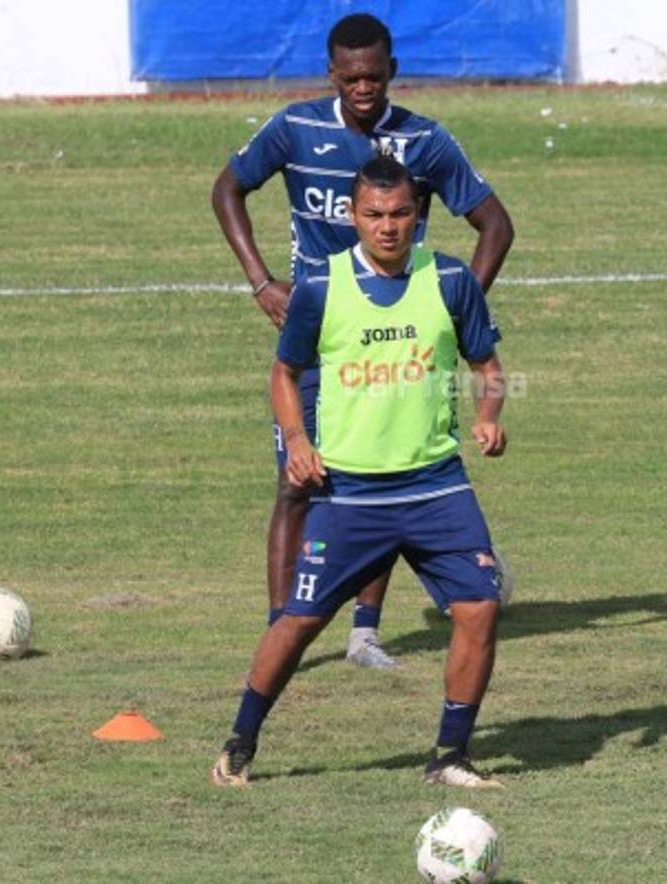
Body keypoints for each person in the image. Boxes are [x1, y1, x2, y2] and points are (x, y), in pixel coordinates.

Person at [212, 12, 513, 668]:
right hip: (317, 341)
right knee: (296, 484)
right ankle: (280, 632)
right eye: (351, 78)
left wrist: (455, 312)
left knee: (387, 475)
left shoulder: (424, 142)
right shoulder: (295, 128)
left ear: (392, 73)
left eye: (375, 77)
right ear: (332, 75)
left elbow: (496, 226)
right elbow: (228, 188)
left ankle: (363, 634)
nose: (364, 89)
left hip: (394, 344)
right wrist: (261, 281)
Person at [210, 156, 508, 789]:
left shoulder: (451, 279)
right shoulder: (322, 288)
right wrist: (295, 438)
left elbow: (488, 363)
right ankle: (241, 741)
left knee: (480, 608)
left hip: (437, 486)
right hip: (349, 492)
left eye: (401, 213)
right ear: (352, 216)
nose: (388, 226)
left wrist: (488, 415)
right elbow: (284, 374)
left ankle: (450, 755)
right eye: (374, 214)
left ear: (418, 215)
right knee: (299, 621)